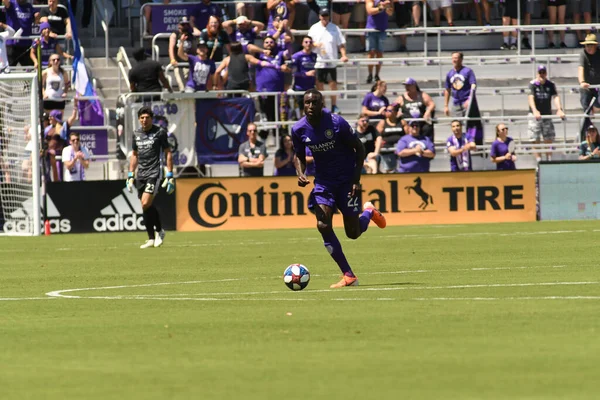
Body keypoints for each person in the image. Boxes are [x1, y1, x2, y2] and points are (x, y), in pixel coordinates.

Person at [291, 88, 386, 289]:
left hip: (346, 181)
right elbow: (298, 155)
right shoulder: (298, 129)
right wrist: (301, 172)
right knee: (323, 225)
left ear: (322, 104)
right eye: (307, 103)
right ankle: (348, 275)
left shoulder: (336, 123)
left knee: (353, 233)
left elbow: (359, 148)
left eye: (314, 102)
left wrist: (356, 180)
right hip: (324, 183)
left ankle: (368, 212)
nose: (310, 106)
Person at [126, 106, 174, 249]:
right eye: (142, 118)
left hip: (154, 172)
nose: (144, 120)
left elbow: (168, 152)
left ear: (151, 119)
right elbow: (134, 155)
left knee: (146, 203)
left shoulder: (159, 132)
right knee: (145, 206)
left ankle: (159, 230)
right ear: (139, 119)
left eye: (147, 117)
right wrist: (130, 175)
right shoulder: (136, 134)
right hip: (141, 174)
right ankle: (151, 238)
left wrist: (170, 174)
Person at [307, 8, 348, 115]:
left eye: (326, 16)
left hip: (331, 61)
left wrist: (343, 55)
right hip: (319, 61)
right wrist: (314, 45)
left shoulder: (334, 28)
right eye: (322, 16)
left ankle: (334, 105)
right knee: (319, 85)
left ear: (329, 16)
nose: (324, 18)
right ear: (319, 16)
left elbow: (341, 44)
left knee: (332, 84)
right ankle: (323, 106)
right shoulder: (314, 28)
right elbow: (308, 43)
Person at [528, 65, 565, 162]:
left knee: (548, 138)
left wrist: (559, 109)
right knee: (534, 138)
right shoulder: (533, 84)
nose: (542, 74)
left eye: (543, 72)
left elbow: (555, 96)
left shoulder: (550, 84)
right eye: (540, 72)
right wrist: (535, 110)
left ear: (546, 73)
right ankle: (538, 160)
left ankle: (549, 159)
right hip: (535, 115)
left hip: (546, 114)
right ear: (537, 73)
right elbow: (530, 98)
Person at [444, 52, 483, 145]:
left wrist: (470, 99)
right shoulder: (450, 73)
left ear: (461, 59)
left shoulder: (468, 71)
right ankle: (458, 144)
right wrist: (446, 105)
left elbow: (473, 85)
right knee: (456, 125)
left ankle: (473, 143)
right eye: (453, 58)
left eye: (456, 58)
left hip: (467, 101)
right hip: (456, 103)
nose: (454, 60)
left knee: (472, 124)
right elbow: (447, 89)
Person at [214, 41, 278, 91]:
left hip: (231, 86)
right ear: (241, 49)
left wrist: (215, 85)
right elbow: (262, 63)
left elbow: (217, 71)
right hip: (245, 85)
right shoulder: (247, 57)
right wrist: (277, 67)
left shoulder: (227, 59)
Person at [168, 16, 200, 92]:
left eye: (186, 24)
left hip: (190, 65)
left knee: (191, 88)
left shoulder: (191, 36)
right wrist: (172, 59)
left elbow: (199, 33)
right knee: (182, 88)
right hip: (179, 65)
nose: (185, 26)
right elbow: (171, 48)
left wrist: (192, 27)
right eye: (183, 24)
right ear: (179, 25)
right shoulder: (175, 35)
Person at [3, 0, 38, 67]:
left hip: (26, 44)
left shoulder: (29, 6)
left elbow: (36, 20)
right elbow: (5, 1)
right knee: (8, 70)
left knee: (30, 70)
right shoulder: (11, 4)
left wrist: (37, 17)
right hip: (12, 44)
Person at [364, 0, 391, 84]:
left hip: (382, 28)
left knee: (380, 52)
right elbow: (369, 11)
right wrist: (380, 8)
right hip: (371, 28)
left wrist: (387, 7)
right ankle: (370, 74)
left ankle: (377, 75)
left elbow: (390, 13)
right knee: (371, 52)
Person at [290, 35, 317, 118]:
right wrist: (306, 74)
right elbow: (293, 73)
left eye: (310, 42)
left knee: (311, 109)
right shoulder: (296, 56)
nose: (308, 44)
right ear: (302, 43)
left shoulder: (315, 56)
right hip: (299, 87)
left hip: (311, 87)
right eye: (306, 42)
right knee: (301, 109)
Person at [377, 104, 404, 173]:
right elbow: (377, 136)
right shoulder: (382, 122)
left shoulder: (402, 122)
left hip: (401, 148)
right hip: (387, 149)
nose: (387, 112)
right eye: (386, 110)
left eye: (389, 110)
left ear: (395, 112)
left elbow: (408, 136)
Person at [578, 34, 600, 115]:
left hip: (598, 85)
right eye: (587, 45)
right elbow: (581, 68)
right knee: (585, 103)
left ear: (595, 45)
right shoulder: (583, 54)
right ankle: (588, 123)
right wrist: (582, 82)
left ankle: (594, 109)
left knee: (598, 103)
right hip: (587, 86)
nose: (588, 47)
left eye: (591, 45)